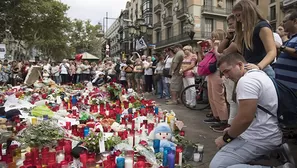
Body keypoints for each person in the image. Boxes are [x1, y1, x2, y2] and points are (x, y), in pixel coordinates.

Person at [209, 52, 293, 168]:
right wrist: (233, 129)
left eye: (227, 71)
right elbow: (253, 114)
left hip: (261, 137)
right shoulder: (259, 74)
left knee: (217, 166)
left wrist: (226, 138)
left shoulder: (246, 81)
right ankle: (274, 154)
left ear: (239, 65)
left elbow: (245, 119)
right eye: (223, 73)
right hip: (268, 132)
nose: (226, 76)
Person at [227, 0, 277, 78]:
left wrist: (258, 66)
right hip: (250, 70)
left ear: (248, 12)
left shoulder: (263, 27)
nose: (238, 20)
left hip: (263, 71)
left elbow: (272, 51)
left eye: (239, 15)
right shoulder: (247, 30)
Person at [274, 9, 297, 93]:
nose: (283, 24)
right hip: (285, 89)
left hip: (293, 91)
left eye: (285, 21)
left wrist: (281, 47)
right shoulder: (291, 39)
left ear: (294, 21)